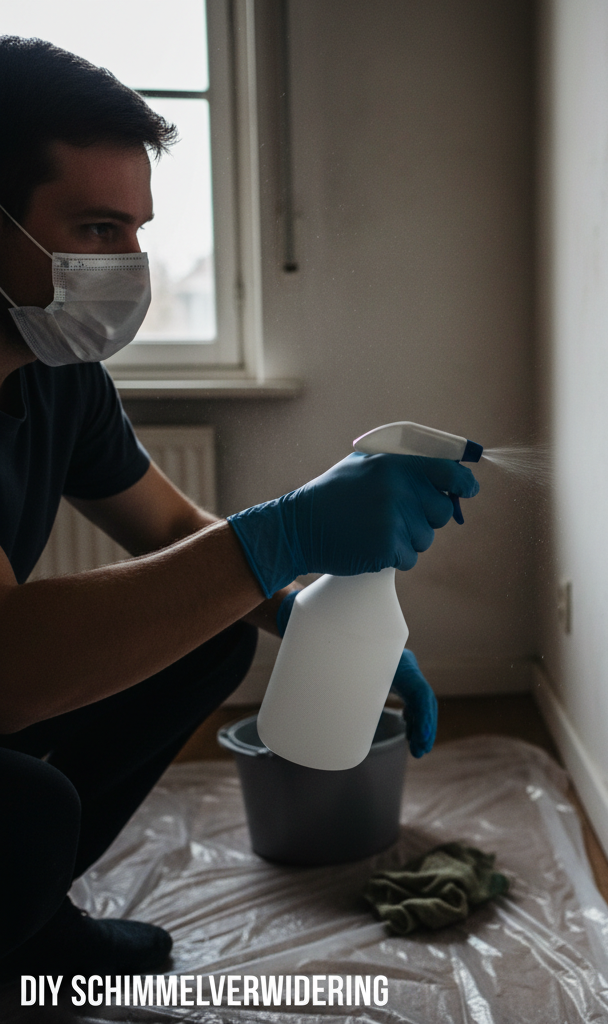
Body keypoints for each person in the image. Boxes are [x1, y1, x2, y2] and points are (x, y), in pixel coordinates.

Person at [0, 37, 479, 981]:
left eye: (137, 230)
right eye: (97, 229)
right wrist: (290, 528)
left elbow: (178, 537)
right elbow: (6, 667)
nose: (130, 265)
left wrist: (307, 623)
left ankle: (27, 913)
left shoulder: (58, 377)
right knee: (24, 807)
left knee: (211, 631)